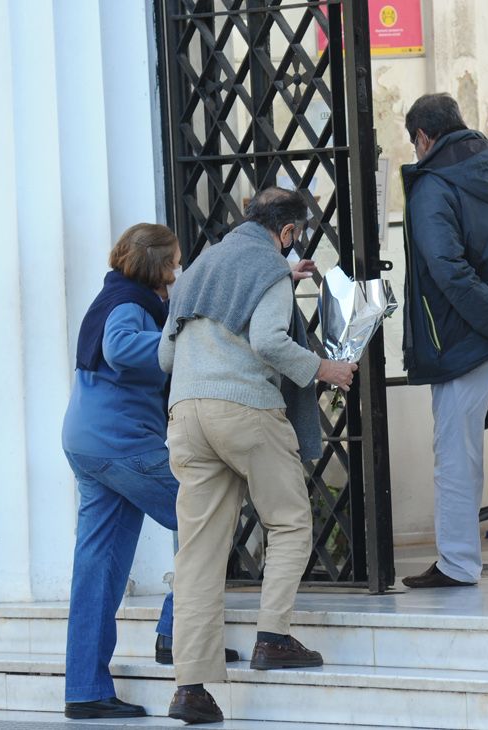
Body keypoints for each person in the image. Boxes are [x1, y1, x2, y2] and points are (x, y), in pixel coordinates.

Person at [158, 187, 357, 724]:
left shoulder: (204, 263)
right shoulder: (268, 266)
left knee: (197, 556)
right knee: (290, 521)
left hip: (187, 415)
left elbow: (165, 352)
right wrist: (324, 368)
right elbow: (269, 341)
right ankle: (273, 637)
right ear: (288, 233)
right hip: (244, 409)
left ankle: (191, 691)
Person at [59, 223, 240, 720]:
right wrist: (184, 347)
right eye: (176, 261)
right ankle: (179, 636)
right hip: (121, 446)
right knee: (205, 508)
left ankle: (85, 689)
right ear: (159, 266)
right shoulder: (129, 303)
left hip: (89, 442)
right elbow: (119, 348)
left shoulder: (116, 292)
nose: (180, 268)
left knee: (97, 568)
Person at [398, 93, 488, 589]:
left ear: (423, 138)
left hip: (464, 340)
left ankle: (458, 563)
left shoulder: (433, 185)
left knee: (456, 455)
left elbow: (447, 269)